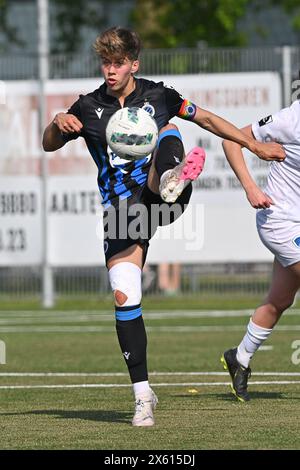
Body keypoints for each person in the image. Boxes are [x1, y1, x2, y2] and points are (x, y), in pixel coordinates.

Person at [43, 26, 285, 426]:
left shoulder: (159, 95)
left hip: (161, 199)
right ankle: (143, 397)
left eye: (118, 62)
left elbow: (205, 118)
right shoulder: (87, 107)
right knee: (125, 296)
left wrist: (254, 146)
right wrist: (57, 122)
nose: (110, 70)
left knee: (168, 129)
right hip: (123, 213)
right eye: (105, 62)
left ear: (133, 64)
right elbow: (49, 143)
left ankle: (172, 175)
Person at [221, 100, 300, 402]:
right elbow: (230, 140)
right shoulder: (290, 119)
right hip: (280, 222)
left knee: (279, 301)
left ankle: (239, 358)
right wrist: (251, 188)